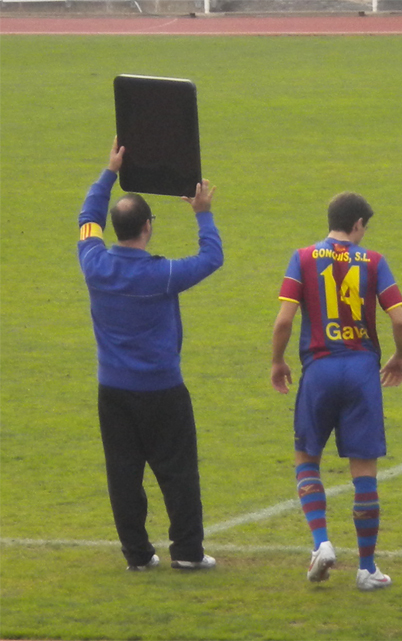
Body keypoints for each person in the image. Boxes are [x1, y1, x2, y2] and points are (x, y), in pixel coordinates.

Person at [77, 138, 223, 571]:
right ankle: (188, 554)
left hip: (112, 391)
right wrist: (203, 213)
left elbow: (87, 219)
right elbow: (212, 257)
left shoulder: (94, 264)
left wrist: (109, 173)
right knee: (178, 473)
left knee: (123, 476)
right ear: (147, 227)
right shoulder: (164, 274)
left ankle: (138, 556)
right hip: (162, 390)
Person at [270, 192, 402, 592]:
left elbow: (284, 322)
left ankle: (322, 543)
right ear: (358, 224)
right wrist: (400, 357)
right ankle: (366, 569)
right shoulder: (374, 261)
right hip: (362, 371)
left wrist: (278, 361)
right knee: (364, 472)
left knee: (306, 458)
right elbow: (400, 321)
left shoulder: (302, 258)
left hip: (320, 369)